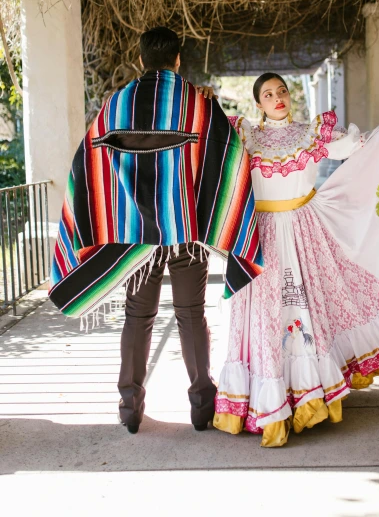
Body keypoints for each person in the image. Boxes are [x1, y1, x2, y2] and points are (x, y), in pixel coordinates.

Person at [213, 73, 379, 447]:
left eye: (282, 91)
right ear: (258, 104)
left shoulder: (312, 134)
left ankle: (307, 396)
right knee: (264, 318)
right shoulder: (246, 135)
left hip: (304, 231)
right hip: (260, 237)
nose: (277, 98)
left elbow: (358, 148)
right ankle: (266, 402)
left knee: (303, 314)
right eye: (268, 94)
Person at [49, 27, 263, 434]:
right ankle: (202, 406)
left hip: (137, 236)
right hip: (185, 231)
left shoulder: (116, 104)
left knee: (138, 317)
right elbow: (229, 155)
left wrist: (115, 214)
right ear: (178, 59)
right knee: (190, 315)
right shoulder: (197, 103)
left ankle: (130, 408)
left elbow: (88, 160)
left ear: (141, 58)